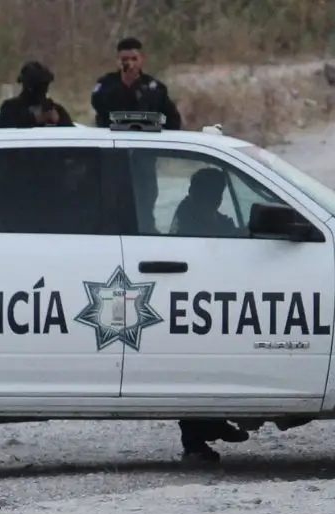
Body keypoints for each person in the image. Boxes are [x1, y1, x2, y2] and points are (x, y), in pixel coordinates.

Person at [165, 167, 252, 462]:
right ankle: (194, 442)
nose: (217, 198)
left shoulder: (204, 210)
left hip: (206, 297)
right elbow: (203, 241)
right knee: (193, 371)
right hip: (190, 297)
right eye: (214, 192)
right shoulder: (190, 212)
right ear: (199, 190)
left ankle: (212, 423)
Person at [90, 37, 183, 130]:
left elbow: (173, 119)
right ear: (118, 60)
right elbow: (98, 106)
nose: (130, 64)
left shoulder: (155, 88)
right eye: (125, 59)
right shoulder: (106, 84)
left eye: (134, 59)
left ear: (142, 59)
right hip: (113, 138)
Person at [0, 61, 75, 129]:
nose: (42, 89)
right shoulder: (11, 108)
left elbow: (72, 136)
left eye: (44, 85)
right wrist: (34, 119)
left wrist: (58, 121)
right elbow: (4, 130)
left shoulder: (56, 110)